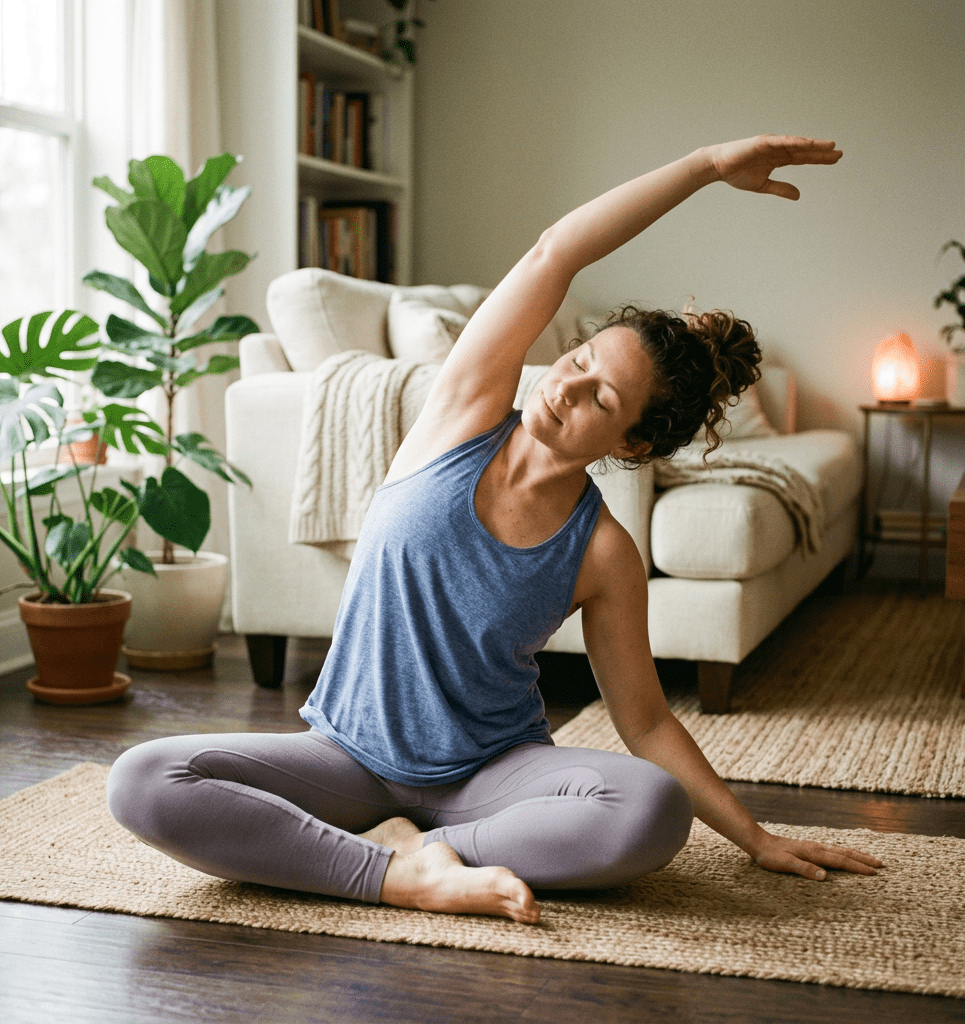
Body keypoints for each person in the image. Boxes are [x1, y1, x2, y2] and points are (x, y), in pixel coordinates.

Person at [108, 135, 882, 925]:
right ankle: (400, 870)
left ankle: (414, 853)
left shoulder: (604, 550)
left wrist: (754, 837)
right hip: (343, 757)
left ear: (633, 446)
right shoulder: (463, 413)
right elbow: (557, 252)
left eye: (602, 401)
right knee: (142, 781)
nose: (565, 388)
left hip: (490, 775)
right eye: (578, 360)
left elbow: (645, 721)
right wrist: (703, 168)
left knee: (651, 811)